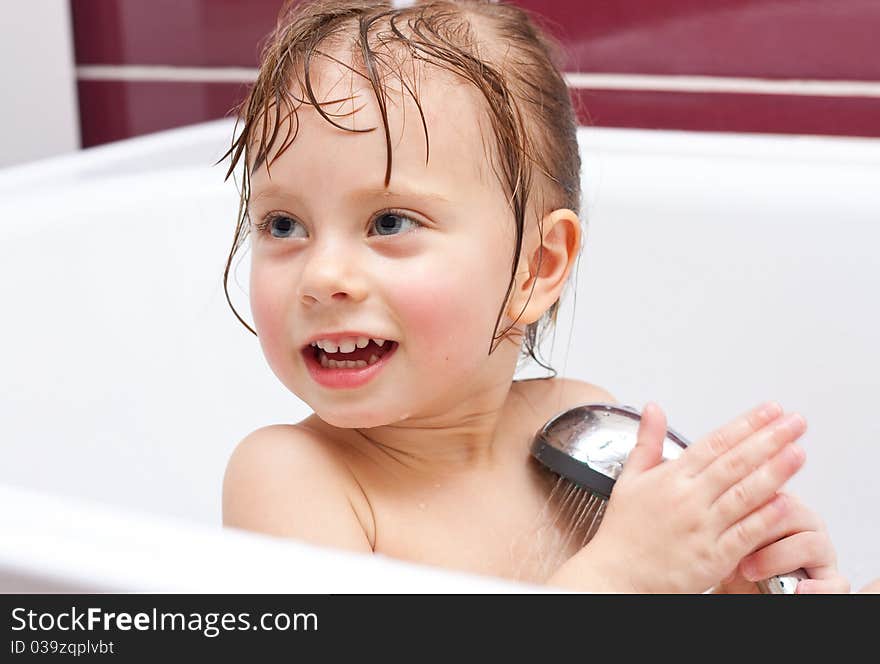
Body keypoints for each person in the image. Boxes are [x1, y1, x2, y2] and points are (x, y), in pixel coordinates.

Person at [220, 0, 848, 593]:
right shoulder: (291, 480)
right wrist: (620, 576)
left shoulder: (578, 437)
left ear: (537, 268)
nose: (322, 275)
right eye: (283, 225)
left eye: (389, 223)